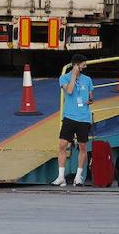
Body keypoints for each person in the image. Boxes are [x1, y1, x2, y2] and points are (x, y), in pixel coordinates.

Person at [53, 54, 94, 187]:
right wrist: (74, 76)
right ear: (76, 65)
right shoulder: (64, 78)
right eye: (83, 65)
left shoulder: (87, 80)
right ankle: (61, 177)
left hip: (84, 118)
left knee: (82, 146)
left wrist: (90, 100)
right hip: (70, 117)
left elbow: (91, 96)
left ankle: (78, 176)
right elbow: (69, 91)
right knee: (62, 145)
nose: (85, 67)